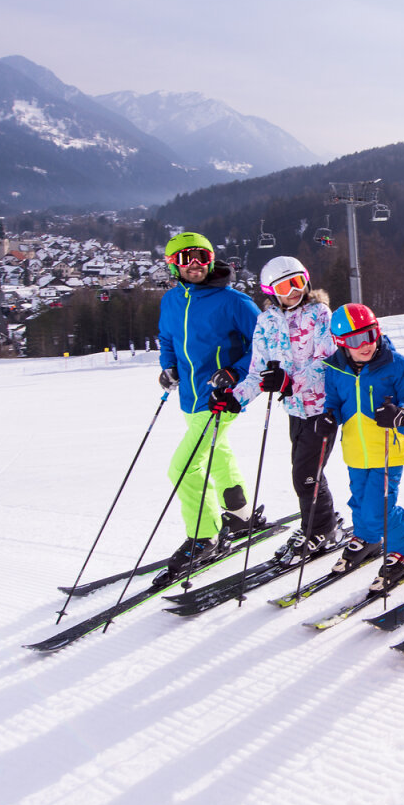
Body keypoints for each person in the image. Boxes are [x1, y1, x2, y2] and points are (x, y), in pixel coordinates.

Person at [154, 231, 263, 583]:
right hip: (190, 399)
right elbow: (168, 337)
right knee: (217, 454)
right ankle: (241, 514)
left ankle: (205, 536)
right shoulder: (171, 301)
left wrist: (234, 372)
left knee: (183, 467)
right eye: (186, 259)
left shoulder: (234, 302)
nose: (196, 265)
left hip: (221, 398)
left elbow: (264, 344)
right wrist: (168, 366)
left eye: (202, 256)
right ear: (173, 265)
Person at [228, 256, 343, 564]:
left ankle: (320, 528)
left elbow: (327, 361)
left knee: (305, 473)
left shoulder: (320, 313)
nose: (292, 291)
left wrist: (290, 379)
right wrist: (235, 398)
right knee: (306, 471)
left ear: (305, 281)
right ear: (270, 291)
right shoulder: (266, 322)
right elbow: (257, 371)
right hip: (295, 409)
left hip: (323, 407)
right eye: (283, 286)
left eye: (296, 282)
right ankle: (321, 520)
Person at [320, 303, 404, 584]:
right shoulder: (334, 369)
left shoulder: (396, 363)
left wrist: (402, 413)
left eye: (371, 334)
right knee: (359, 499)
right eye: (356, 340)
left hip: (388, 450)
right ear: (341, 343)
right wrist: (329, 417)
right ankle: (367, 537)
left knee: (380, 507)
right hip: (355, 450)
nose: (366, 344)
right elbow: (334, 402)